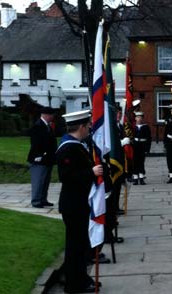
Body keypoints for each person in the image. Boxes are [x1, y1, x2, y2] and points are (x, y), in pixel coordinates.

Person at [56, 109, 103, 293]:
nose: (90, 127)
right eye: (88, 125)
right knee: (75, 246)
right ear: (81, 127)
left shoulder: (77, 144)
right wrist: (90, 172)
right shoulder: (68, 147)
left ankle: (80, 278)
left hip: (80, 203)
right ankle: (74, 284)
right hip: (73, 204)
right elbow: (66, 176)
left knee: (81, 244)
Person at [27, 106, 57, 208]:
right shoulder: (38, 126)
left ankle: (43, 199)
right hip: (39, 159)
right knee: (38, 181)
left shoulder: (48, 126)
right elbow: (36, 144)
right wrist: (40, 155)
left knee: (45, 181)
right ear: (45, 115)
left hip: (48, 159)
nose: (52, 117)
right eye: (51, 115)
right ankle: (36, 200)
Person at [132, 111, 151, 185]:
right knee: (135, 161)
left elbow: (149, 138)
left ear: (142, 118)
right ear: (135, 118)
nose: (139, 119)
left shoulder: (146, 127)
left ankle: (141, 177)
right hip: (135, 145)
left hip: (142, 145)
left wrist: (147, 149)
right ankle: (135, 178)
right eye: (137, 117)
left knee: (141, 161)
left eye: (140, 117)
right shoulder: (133, 127)